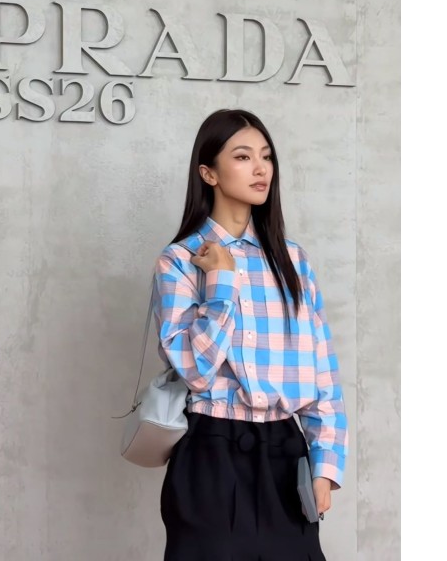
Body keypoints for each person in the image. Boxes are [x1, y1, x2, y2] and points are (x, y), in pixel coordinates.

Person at [151, 108, 348, 561]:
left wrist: (325, 464)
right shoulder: (180, 261)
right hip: (211, 452)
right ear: (209, 173)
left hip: (286, 453)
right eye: (242, 157)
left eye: (266, 156)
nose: (261, 169)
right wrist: (222, 281)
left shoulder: (293, 261)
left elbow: (322, 371)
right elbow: (195, 370)